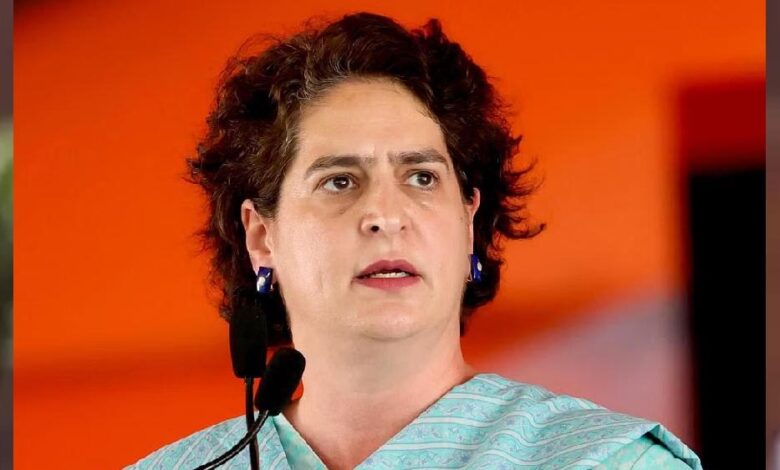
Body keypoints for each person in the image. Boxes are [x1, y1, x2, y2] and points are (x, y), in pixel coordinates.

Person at [127, 12, 702, 469]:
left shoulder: (611, 462)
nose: (385, 215)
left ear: (468, 220)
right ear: (261, 236)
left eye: (422, 177)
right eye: (339, 181)